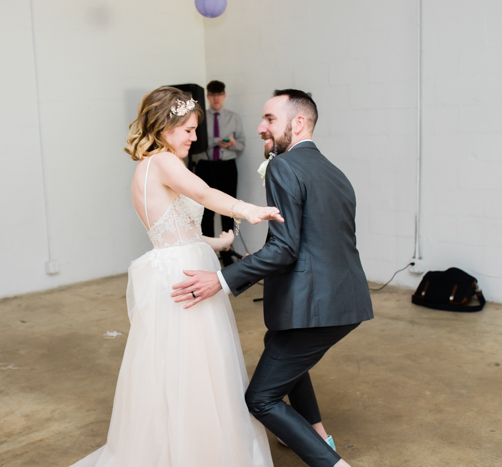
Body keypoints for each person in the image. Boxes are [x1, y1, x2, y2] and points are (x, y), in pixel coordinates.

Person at [68, 86, 280, 467]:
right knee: (195, 368)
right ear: (165, 128)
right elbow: (204, 192)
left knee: (182, 367)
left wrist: (218, 242)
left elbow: (174, 232)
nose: (195, 137)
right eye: (188, 129)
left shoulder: (149, 167)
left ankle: (184, 444)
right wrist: (248, 210)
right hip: (184, 277)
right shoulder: (163, 162)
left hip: (181, 264)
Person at [171, 90, 374, 467]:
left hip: (319, 303)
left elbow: (286, 249)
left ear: (298, 124)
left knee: (260, 398)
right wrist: (261, 257)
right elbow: (314, 241)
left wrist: (222, 279)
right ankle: (316, 433)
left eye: (269, 119)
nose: (261, 127)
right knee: (276, 341)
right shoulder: (335, 172)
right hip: (348, 296)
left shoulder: (283, 166)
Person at [193, 80, 246, 265]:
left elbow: (241, 145)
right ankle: (207, 253)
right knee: (206, 211)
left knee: (228, 209)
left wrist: (231, 143)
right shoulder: (199, 118)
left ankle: (227, 252)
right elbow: (195, 145)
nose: (216, 99)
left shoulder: (234, 117)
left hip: (227, 166)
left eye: (219, 95)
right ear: (208, 96)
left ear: (224, 95)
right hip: (205, 166)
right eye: (212, 95)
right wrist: (216, 140)